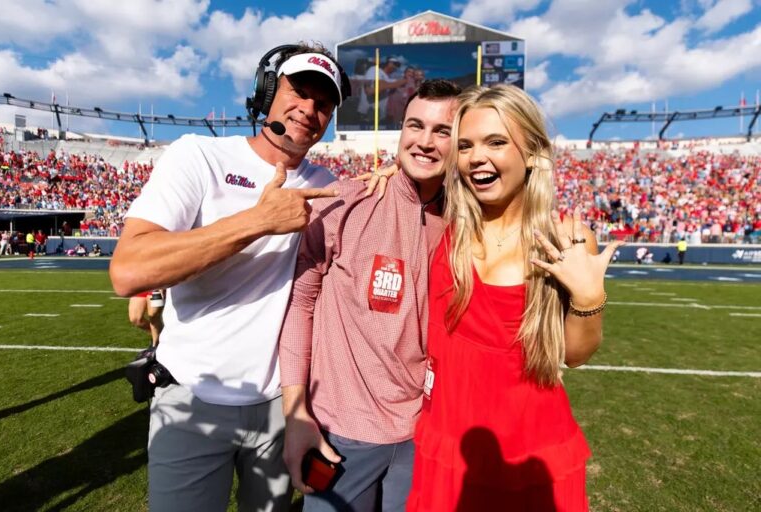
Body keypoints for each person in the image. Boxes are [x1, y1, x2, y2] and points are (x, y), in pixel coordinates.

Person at [109, 42, 348, 512]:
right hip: (193, 399)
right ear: (266, 90)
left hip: (283, 407)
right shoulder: (200, 156)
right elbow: (128, 269)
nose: (309, 109)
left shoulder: (328, 184)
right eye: (298, 91)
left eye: (323, 104)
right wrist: (258, 221)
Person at [406, 85, 622, 511]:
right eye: (465, 145)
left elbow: (575, 355)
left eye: (496, 142)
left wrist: (588, 296)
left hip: (530, 454)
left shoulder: (565, 239)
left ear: (534, 154)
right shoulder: (445, 224)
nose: (475, 157)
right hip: (446, 444)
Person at [279, 79, 461, 512]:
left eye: (443, 131)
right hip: (341, 437)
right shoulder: (346, 202)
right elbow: (299, 306)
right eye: (415, 126)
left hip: (424, 436)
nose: (425, 141)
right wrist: (295, 413)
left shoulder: (467, 223)